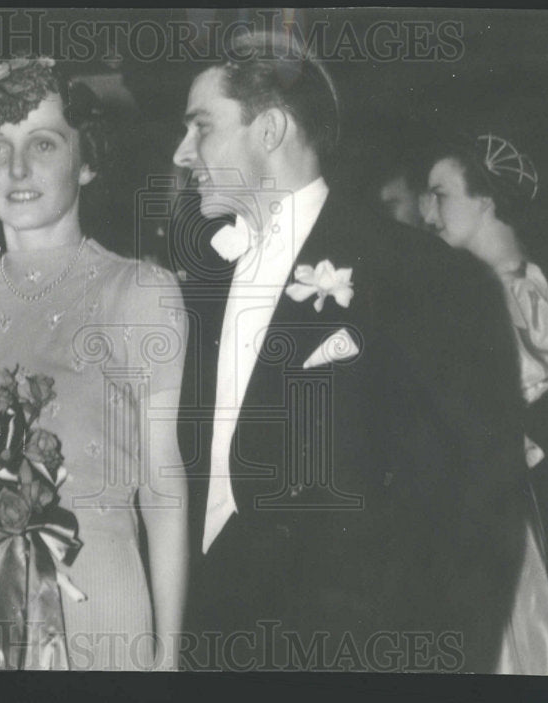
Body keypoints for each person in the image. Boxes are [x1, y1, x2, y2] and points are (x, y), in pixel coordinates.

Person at [172, 33, 529, 673]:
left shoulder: (422, 276)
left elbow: (477, 517)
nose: (182, 153)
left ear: (272, 129)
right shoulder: (196, 286)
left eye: (201, 128)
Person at [0, 57, 188, 671]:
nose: (17, 169)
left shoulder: (141, 292)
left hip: (95, 605)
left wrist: (169, 654)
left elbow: (163, 486)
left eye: (42, 143)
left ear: (88, 159)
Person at [421, 133, 548, 678]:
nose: (429, 213)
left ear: (485, 202)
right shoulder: (471, 293)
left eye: (440, 194)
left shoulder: (517, 297)